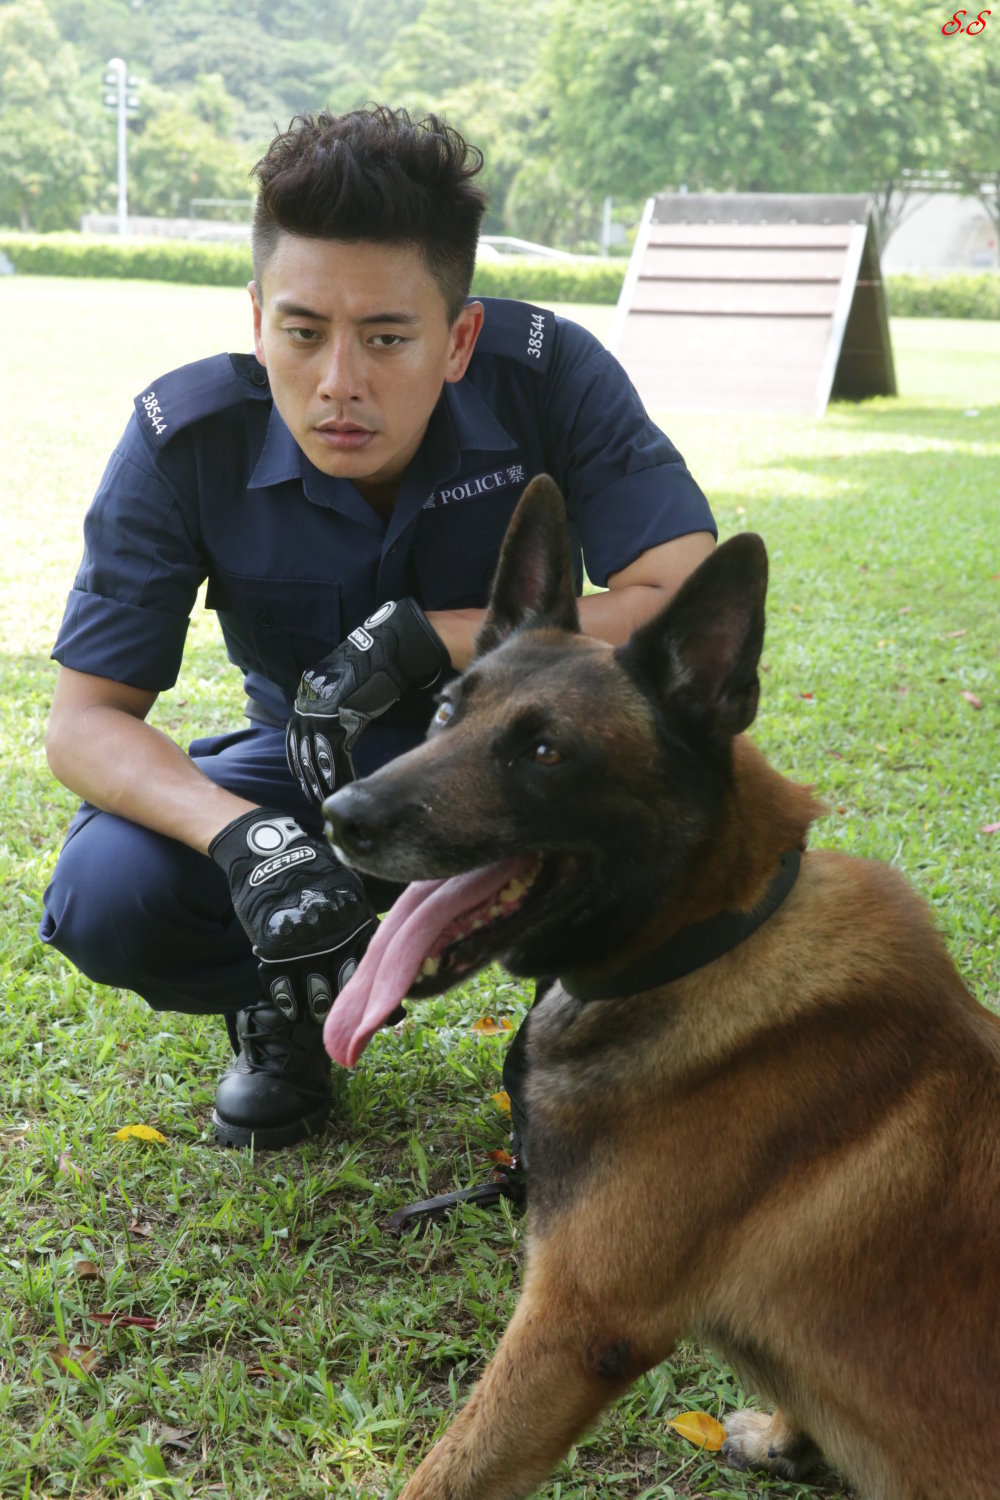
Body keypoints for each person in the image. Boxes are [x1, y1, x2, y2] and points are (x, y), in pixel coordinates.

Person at [40, 106, 717, 1153]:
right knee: (110, 892)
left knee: (679, 802)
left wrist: (436, 638)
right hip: (313, 770)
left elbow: (678, 589)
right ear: (257, 315)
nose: (338, 382)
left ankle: (585, 1016)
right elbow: (84, 723)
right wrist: (246, 840)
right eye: (302, 332)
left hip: (527, 762)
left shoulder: (549, 376)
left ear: (457, 339)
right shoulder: (185, 442)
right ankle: (295, 1005)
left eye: (387, 338)